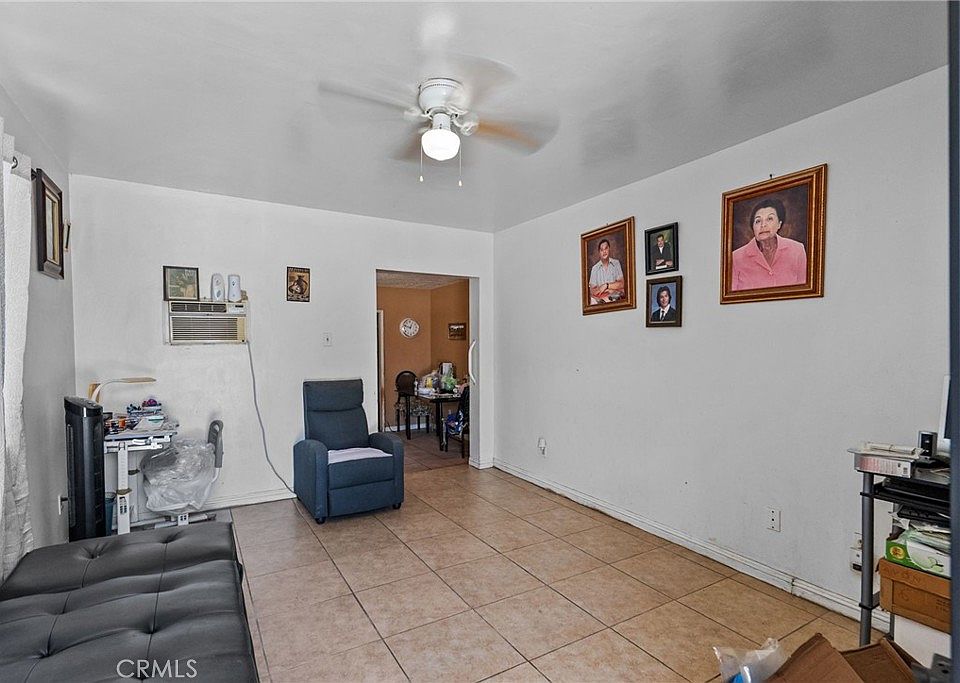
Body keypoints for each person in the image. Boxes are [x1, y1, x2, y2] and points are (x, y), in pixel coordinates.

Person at [731, 198, 807, 291]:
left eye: (769, 219)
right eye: (758, 221)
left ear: (779, 224)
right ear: (753, 227)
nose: (763, 225)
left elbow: (805, 292)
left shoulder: (797, 250)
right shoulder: (736, 257)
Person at [588, 238, 625, 304]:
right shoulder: (594, 268)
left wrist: (605, 286)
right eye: (601, 250)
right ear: (599, 252)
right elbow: (592, 291)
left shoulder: (616, 263)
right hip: (601, 301)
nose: (604, 251)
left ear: (609, 249)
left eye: (606, 248)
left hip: (615, 301)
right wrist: (611, 289)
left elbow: (621, 284)